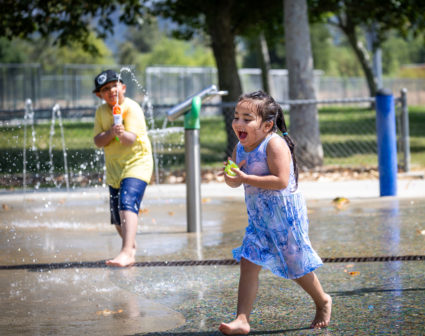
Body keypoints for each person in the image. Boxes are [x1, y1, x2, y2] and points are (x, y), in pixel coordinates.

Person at [218, 91, 331, 334]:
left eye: (247, 118)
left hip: (285, 217)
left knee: (296, 265)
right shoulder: (240, 147)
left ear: (267, 125)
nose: (238, 123)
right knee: (248, 261)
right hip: (259, 219)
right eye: (236, 116)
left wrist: (247, 177)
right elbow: (236, 182)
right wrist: (232, 177)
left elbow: (280, 180)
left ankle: (322, 300)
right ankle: (242, 320)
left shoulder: (274, 144)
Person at [93, 69, 153, 267]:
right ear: (99, 95)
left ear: (123, 88)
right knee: (117, 218)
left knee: (127, 202)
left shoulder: (132, 108)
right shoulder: (101, 112)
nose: (111, 91)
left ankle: (126, 252)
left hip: (138, 163)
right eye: (105, 89)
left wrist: (120, 133)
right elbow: (98, 141)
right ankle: (131, 245)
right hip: (115, 169)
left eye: (114, 86)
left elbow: (130, 140)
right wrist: (111, 132)